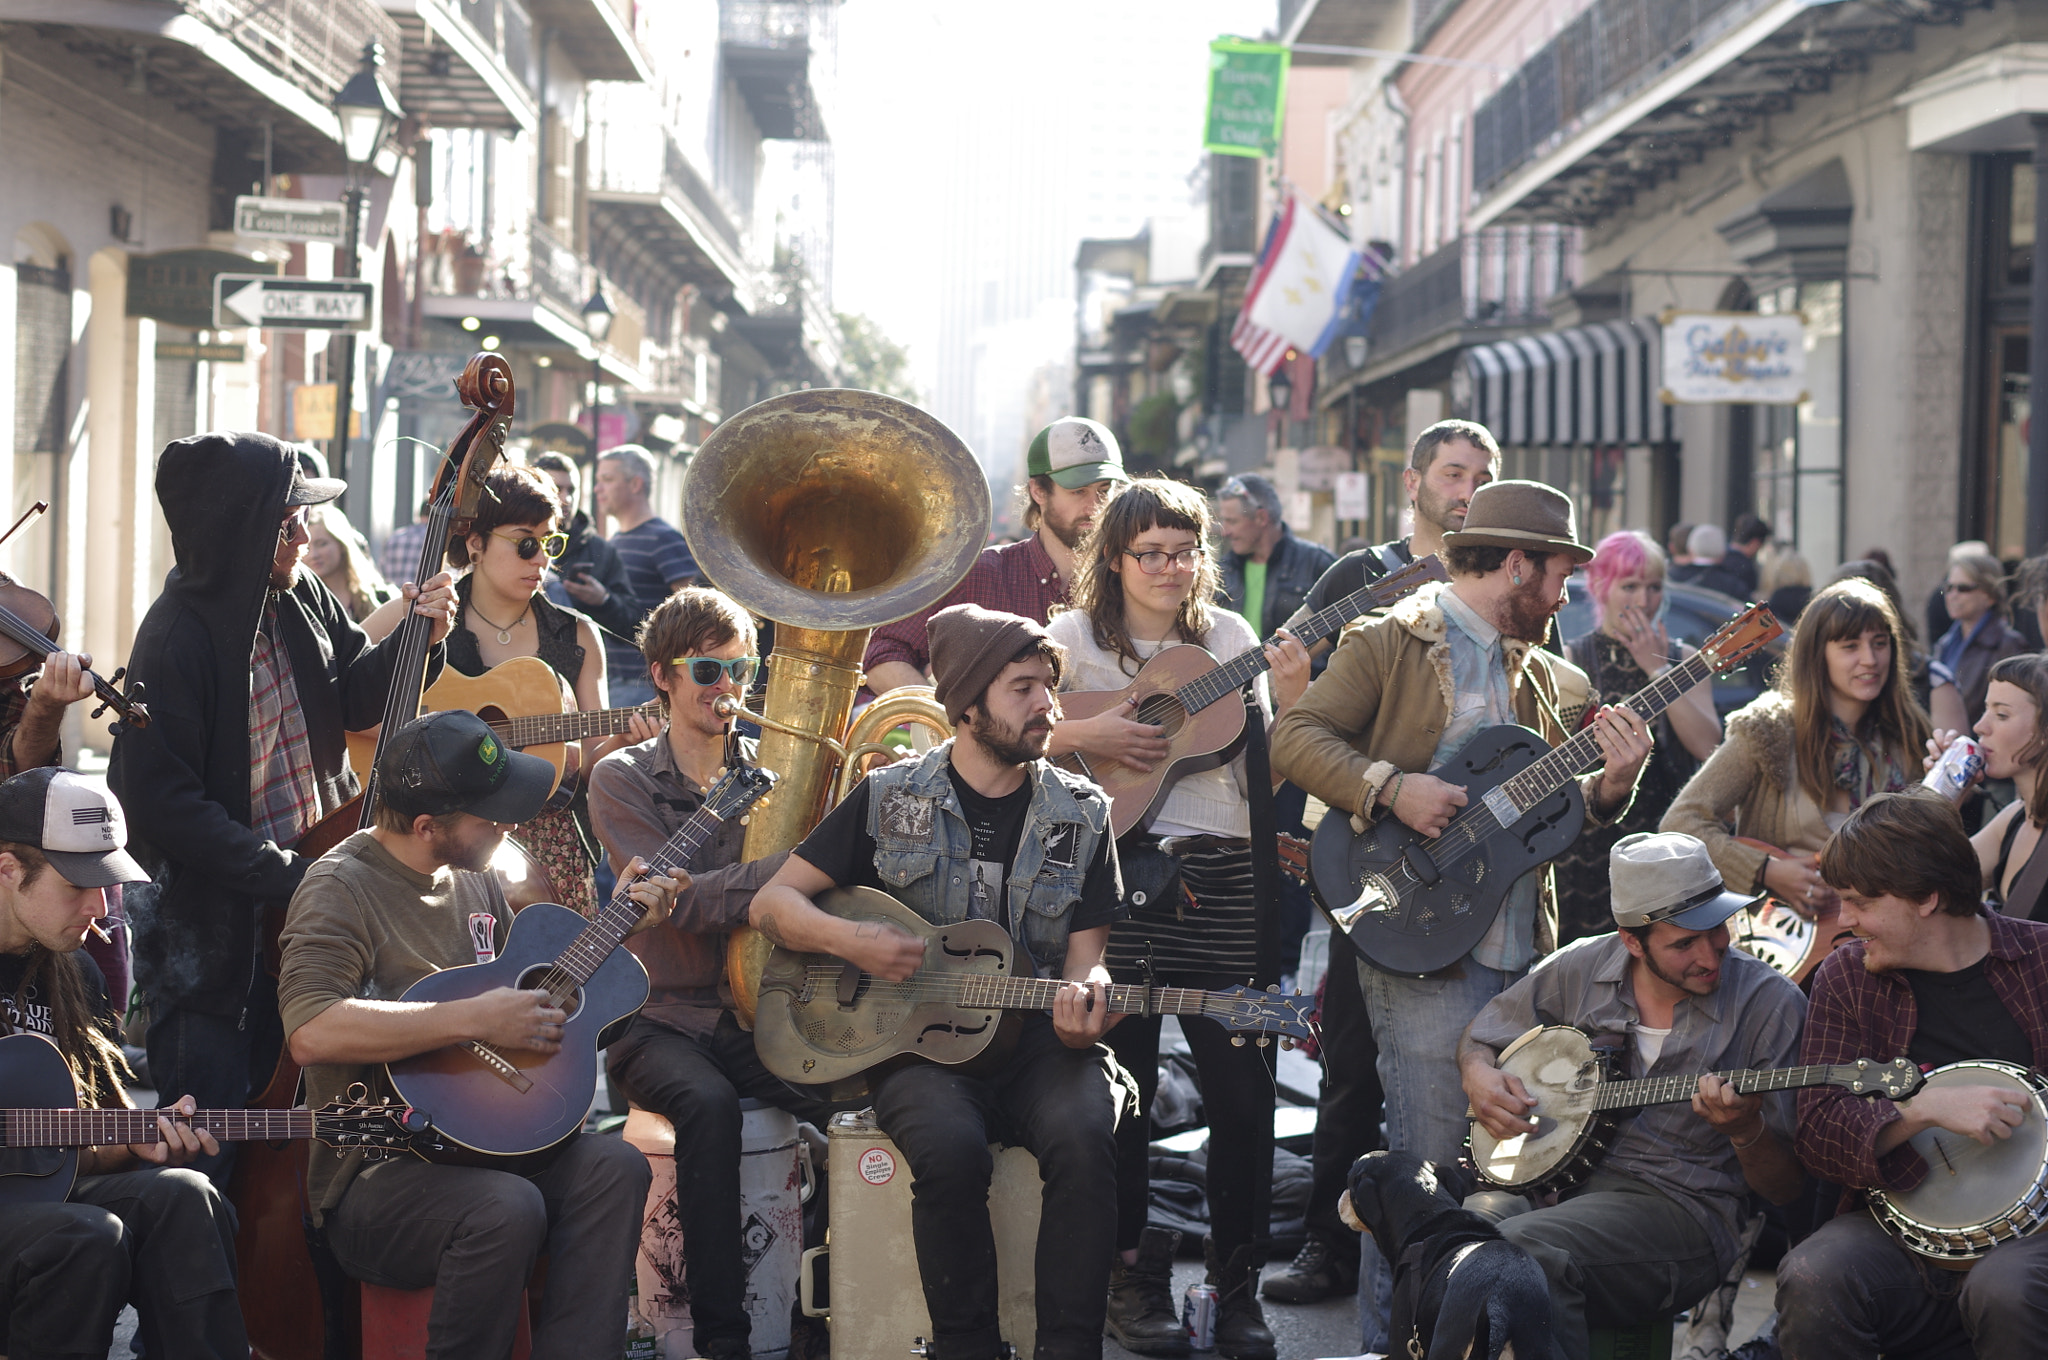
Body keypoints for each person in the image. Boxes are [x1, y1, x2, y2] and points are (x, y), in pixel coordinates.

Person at [1270, 479, 1653, 1352]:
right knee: (1424, 1175)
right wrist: (1393, 788)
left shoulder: (1556, 676)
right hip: (1415, 941)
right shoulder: (1392, 639)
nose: (1566, 594)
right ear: (1515, 563)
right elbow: (1295, 740)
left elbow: (1557, 818)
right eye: (1558, 573)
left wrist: (1614, 787)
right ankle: (1386, 1342)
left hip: (1524, 947)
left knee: (1503, 1171)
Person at [751, 603, 1126, 1360]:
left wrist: (1089, 1002)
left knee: (1086, 1136)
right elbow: (773, 904)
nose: (1047, 705)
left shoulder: (1082, 814)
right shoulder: (891, 797)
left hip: (1036, 1045)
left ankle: (1069, 1347)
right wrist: (853, 941)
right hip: (914, 1050)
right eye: (1023, 688)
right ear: (966, 704)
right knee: (949, 1152)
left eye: (1049, 687)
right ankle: (967, 1347)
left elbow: (1089, 958)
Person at [109, 432, 457, 1183]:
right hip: (215, 959)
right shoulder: (173, 640)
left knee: (306, 1155)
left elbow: (363, 696)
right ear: (239, 530)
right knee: (214, 1161)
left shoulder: (298, 592)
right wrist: (294, 876)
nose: (307, 534)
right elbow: (164, 807)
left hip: (299, 924)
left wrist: (421, 639)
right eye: (287, 520)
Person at [279, 709, 676, 1360]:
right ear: (427, 825)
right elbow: (311, 1030)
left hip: (491, 1146)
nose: (509, 824)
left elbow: (530, 993)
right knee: (505, 1207)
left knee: (614, 1166)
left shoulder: (480, 868)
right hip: (378, 1175)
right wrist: (475, 1018)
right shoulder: (338, 887)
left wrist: (624, 919)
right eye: (490, 814)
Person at [1045, 477, 1310, 1360]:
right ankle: (1134, 1279)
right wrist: (1098, 735)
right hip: (1114, 885)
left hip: (1226, 884)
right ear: (1113, 559)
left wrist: (1295, 702)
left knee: (1243, 1097)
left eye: (1184, 550)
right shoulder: (1073, 639)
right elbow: (1018, 729)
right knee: (1124, 1095)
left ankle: (1236, 1291)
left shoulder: (1231, 640)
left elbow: (1262, 785)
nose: (1168, 566)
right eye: (1149, 551)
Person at [1262, 417, 1503, 1307]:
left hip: (1476, 865)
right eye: (1452, 470)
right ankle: (1332, 1244)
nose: (1467, 484)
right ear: (1413, 483)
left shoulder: (1506, 585)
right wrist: (1292, 693)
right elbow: (1293, 687)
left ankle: (1459, 1251)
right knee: (1352, 1063)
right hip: (1365, 850)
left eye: (1482, 472)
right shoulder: (1361, 579)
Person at [588, 587, 836, 1360]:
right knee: (707, 1105)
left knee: (859, 1092)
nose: (728, 687)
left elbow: (817, 874)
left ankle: (827, 1308)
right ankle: (725, 1341)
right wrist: (782, 878)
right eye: (708, 670)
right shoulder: (620, 778)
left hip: (760, 1010)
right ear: (662, 675)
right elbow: (678, 906)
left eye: (741, 669)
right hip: (654, 1018)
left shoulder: (775, 770)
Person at [1460, 831, 1807, 1359]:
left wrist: (1745, 1130)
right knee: (1455, 1239)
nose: (1711, 955)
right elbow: (1484, 1034)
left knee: (1525, 1253)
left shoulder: (1771, 1005)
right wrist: (1478, 1074)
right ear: (1631, 941)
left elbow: (1784, 1189)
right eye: (1684, 943)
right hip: (1559, 1185)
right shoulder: (1583, 967)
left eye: (1717, 930)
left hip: (1681, 1209)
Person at [1775, 792, 2048, 1357]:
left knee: (2006, 1288)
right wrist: (1921, 1110)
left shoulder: (2040, 960)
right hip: (1898, 1230)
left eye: (1859, 903)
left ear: (1926, 897)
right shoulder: (1847, 976)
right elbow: (1818, 1134)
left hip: (2036, 1233)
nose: (1844, 921)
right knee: (1813, 1273)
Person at [0, 768, 248, 1360]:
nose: (98, 907)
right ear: (7, 870)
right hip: (43, 1229)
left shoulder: (73, 973)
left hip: (33, 1209)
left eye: (105, 884)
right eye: (77, 885)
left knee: (189, 1194)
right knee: (87, 1237)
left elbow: (76, 1144)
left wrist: (134, 1142)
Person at [365, 462, 611, 916]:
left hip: (548, 851)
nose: (541, 560)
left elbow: (593, 767)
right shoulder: (424, 611)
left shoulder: (576, 636)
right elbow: (342, 683)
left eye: (550, 544)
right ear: (475, 542)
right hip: (441, 843)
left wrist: (621, 740)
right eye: (525, 543)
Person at [1662, 578, 1932, 918]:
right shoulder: (1767, 730)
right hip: (1783, 944)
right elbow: (1681, 822)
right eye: (1850, 646)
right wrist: (1766, 870)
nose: (1870, 659)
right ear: (1817, 655)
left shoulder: (1910, 736)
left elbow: (1926, 855)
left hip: (1882, 938)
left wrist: (1945, 791)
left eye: (1880, 643)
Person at [864, 416, 1128, 695]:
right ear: (1038, 491)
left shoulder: (1134, 577)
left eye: (1104, 490)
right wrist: (945, 721)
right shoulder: (983, 573)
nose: (1095, 506)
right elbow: (880, 653)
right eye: (1078, 491)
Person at [1553, 531, 1722, 944]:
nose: (1644, 599)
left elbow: (1707, 746)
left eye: (1653, 587)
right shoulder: (1573, 660)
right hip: (1589, 848)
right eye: (1630, 586)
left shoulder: (1683, 658)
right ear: (1600, 588)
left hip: (1662, 837)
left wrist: (1655, 669)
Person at [1928, 652, 2048, 922]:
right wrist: (1943, 793)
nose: (1980, 726)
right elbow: (1929, 888)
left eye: (2001, 715)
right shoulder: (2015, 818)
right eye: (1986, 710)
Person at [596, 445, 697, 708]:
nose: (598, 489)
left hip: (642, 684)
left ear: (635, 484)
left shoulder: (663, 539)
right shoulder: (615, 541)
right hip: (612, 679)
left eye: (607, 480)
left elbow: (690, 612)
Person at [532, 450, 643, 654]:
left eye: (572, 490)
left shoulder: (601, 550)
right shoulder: (519, 542)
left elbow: (635, 624)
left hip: (584, 664)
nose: (566, 498)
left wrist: (603, 600)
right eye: (557, 489)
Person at [1215, 472, 1335, 642]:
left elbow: (1340, 636)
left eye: (1232, 522)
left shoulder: (1318, 563)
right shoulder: (1221, 570)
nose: (1225, 531)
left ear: (1261, 518)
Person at [1928, 547, 2028, 734]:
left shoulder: (2008, 645)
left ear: (1989, 595)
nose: (1952, 595)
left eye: (1963, 588)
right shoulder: (1945, 644)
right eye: (1949, 587)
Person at [306, 503, 396, 623]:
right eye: (306, 547)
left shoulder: (380, 596)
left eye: (322, 544)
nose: (313, 555)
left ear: (342, 544)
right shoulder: (303, 600)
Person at [378, 496, 433, 584]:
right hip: (422, 596)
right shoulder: (433, 539)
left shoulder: (394, 537)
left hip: (393, 595)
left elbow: (381, 572)